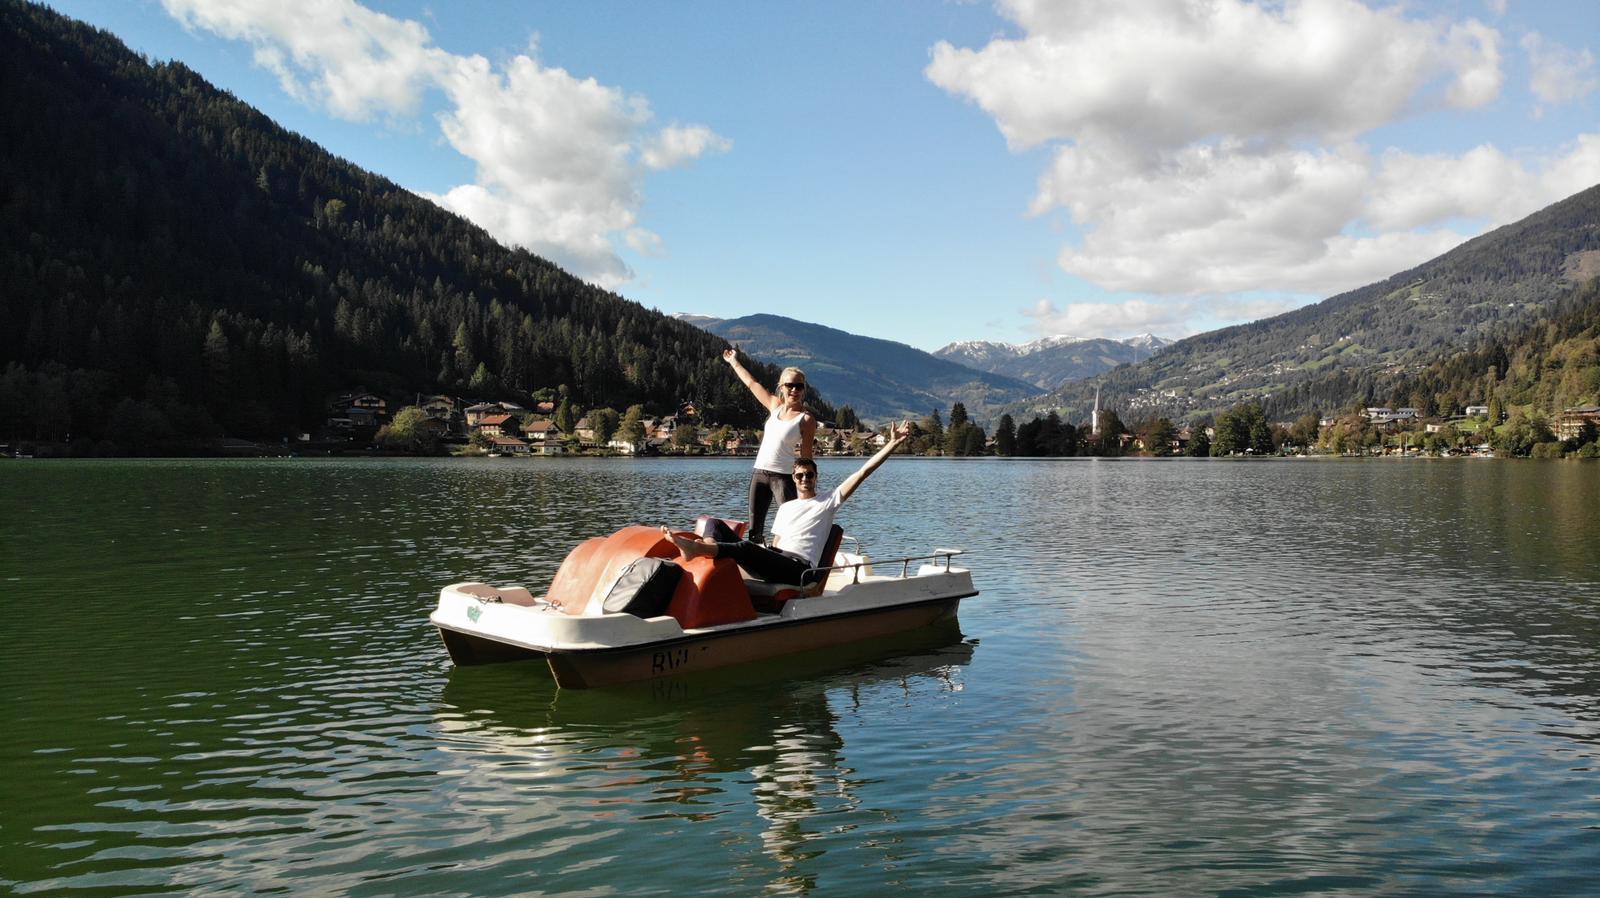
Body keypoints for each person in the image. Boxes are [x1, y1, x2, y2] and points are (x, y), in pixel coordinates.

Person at [665, 422, 912, 585]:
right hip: (777, 560)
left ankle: (697, 549)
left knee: (746, 548)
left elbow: (862, 472)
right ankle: (706, 547)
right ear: (793, 478)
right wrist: (767, 554)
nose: (805, 479)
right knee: (715, 524)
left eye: (810, 475)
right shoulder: (786, 508)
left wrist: (892, 444)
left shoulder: (827, 501)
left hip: (799, 570)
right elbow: (777, 543)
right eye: (800, 475)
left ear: (816, 477)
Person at [722, 348, 818, 544]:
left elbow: (806, 457)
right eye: (790, 385)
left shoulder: (806, 419)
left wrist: (808, 485)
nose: (794, 390)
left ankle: (789, 556)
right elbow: (751, 383)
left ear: (803, 390)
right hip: (759, 473)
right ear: (781, 387)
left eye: (799, 386)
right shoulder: (774, 406)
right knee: (754, 530)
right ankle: (756, 559)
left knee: (788, 526)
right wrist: (733, 362)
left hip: (783, 478)